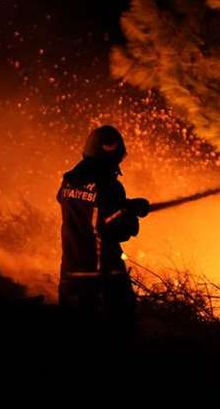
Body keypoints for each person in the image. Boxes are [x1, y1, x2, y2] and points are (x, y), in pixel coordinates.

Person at [57, 125, 149, 333]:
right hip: (104, 278)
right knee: (118, 337)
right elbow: (117, 229)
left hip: (71, 273)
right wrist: (130, 213)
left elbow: (90, 208)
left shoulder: (69, 180)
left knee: (73, 338)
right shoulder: (110, 186)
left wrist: (124, 205)